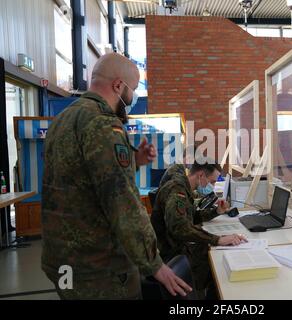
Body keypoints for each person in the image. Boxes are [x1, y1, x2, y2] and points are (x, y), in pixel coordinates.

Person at [41, 53, 191, 300]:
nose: (132, 99)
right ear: (118, 86)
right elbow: (124, 204)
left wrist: (135, 160)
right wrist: (154, 264)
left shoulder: (63, 119)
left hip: (61, 261)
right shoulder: (103, 124)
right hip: (98, 268)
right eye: (133, 90)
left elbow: (82, 177)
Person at [151, 160, 246, 297]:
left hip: (177, 245)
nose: (212, 186)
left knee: (218, 253)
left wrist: (216, 212)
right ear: (201, 175)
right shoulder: (177, 191)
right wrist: (217, 239)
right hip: (171, 252)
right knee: (218, 264)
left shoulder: (184, 187)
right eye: (212, 181)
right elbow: (180, 228)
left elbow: (190, 217)